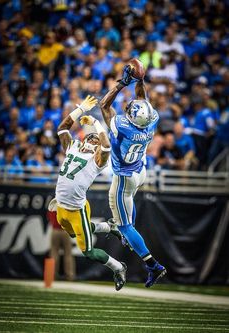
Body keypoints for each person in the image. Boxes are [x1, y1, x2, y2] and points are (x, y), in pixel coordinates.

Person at [100, 65, 167, 287]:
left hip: (124, 178)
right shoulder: (151, 120)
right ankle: (130, 234)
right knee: (128, 217)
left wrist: (122, 82)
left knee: (125, 227)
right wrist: (141, 78)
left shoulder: (122, 126)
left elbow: (104, 105)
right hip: (140, 171)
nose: (129, 107)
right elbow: (141, 97)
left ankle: (153, 265)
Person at [51, 95, 127, 291]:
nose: (94, 141)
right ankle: (109, 228)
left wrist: (95, 122)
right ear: (84, 140)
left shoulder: (97, 161)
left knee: (89, 252)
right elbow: (62, 128)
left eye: (96, 140)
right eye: (91, 137)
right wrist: (80, 110)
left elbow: (107, 146)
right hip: (61, 206)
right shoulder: (73, 147)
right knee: (72, 232)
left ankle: (118, 267)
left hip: (77, 208)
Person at [47, 207, 76, 281]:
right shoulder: (66, 204)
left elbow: (49, 216)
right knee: (68, 254)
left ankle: (52, 275)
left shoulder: (53, 204)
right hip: (65, 231)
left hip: (55, 230)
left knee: (54, 253)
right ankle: (69, 276)